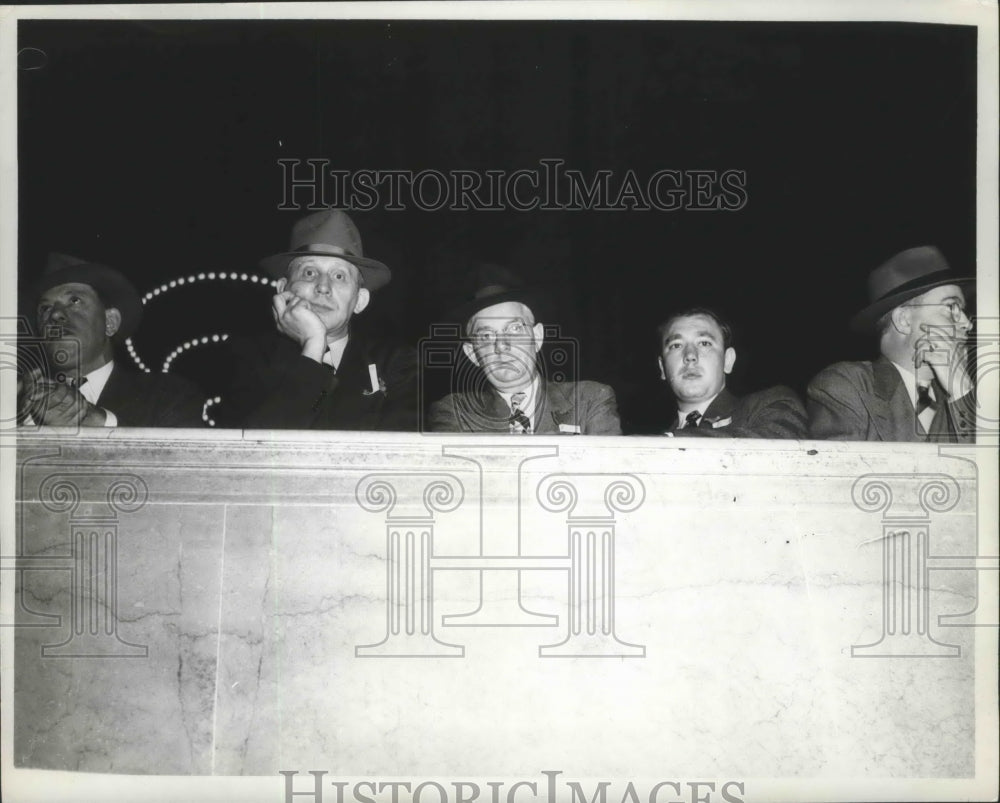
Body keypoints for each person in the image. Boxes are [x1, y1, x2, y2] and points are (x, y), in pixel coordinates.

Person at [224, 209, 418, 430]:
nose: (323, 287)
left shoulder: (396, 364)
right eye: (309, 273)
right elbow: (252, 455)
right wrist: (313, 347)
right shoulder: (249, 358)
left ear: (360, 301)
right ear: (283, 289)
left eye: (339, 276)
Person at [807, 246, 975, 442]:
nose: (966, 323)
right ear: (903, 319)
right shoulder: (848, 386)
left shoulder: (962, 393)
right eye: (951, 306)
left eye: (963, 310)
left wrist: (964, 393)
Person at [429, 265, 621, 434]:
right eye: (486, 336)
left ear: (537, 337)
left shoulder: (589, 400)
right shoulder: (455, 412)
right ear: (472, 354)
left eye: (514, 329)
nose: (502, 345)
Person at [19, 253, 205, 427]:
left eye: (74, 300)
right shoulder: (15, 402)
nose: (55, 314)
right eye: (44, 309)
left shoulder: (168, 396)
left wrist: (96, 421)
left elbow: (179, 459)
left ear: (110, 322)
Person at [657, 307, 807, 438]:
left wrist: (670, 441)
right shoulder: (648, 441)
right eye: (676, 345)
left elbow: (781, 448)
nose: (690, 356)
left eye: (704, 343)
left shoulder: (770, 405)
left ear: (727, 360)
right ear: (662, 367)